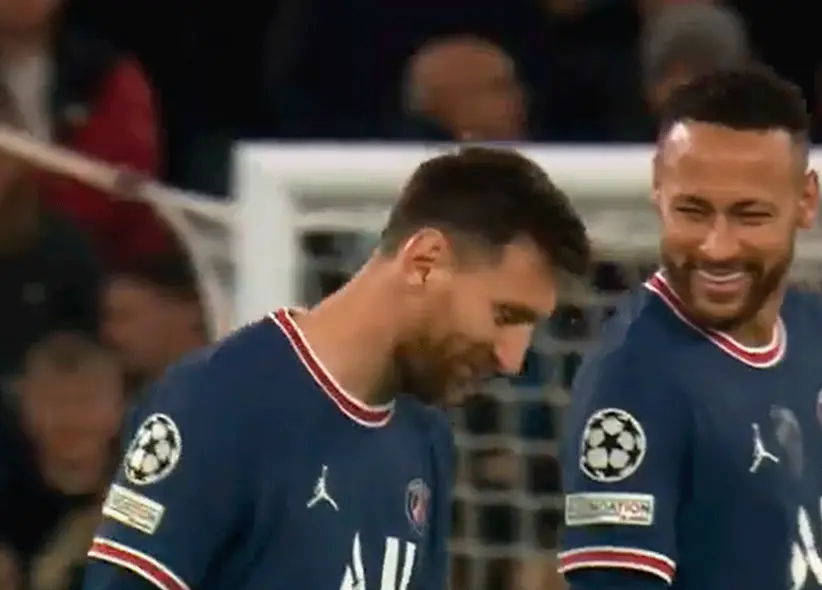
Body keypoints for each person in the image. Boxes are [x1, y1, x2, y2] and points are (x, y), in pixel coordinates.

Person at [81, 146, 592, 590]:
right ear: (425, 262)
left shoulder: (425, 436)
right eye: (505, 316)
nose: (512, 357)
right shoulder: (217, 403)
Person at [557, 67, 822, 590]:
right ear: (657, 189)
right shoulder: (633, 382)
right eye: (692, 211)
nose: (717, 247)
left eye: (750, 216)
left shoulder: (813, 329)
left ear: (806, 201)